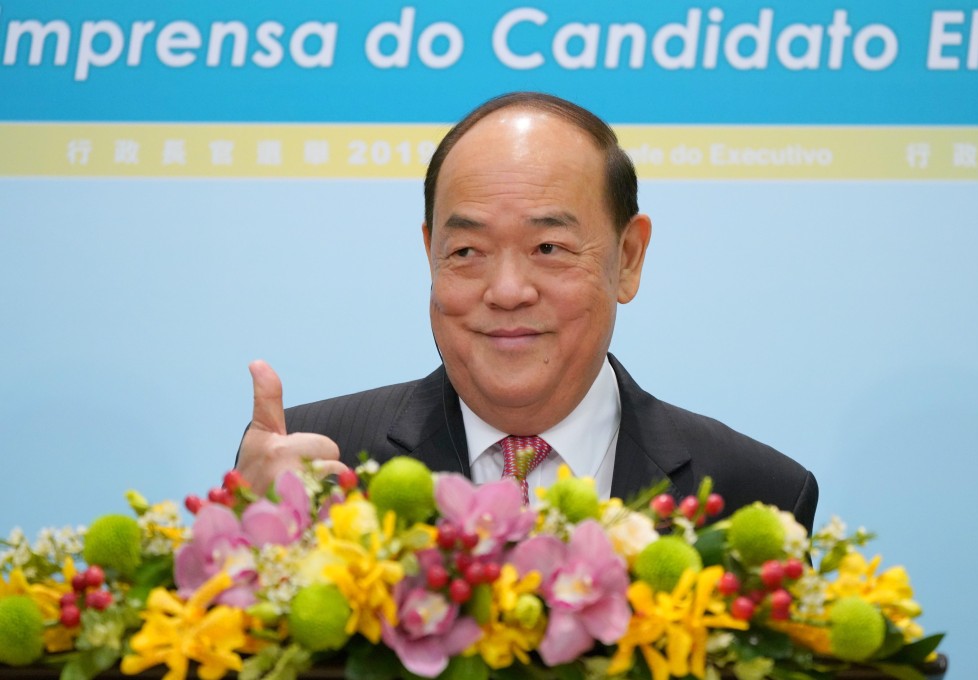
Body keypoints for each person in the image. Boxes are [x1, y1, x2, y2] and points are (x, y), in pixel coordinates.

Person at [236, 92, 818, 530]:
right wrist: (250, 547)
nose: (508, 290)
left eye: (548, 249)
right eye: (467, 251)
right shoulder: (316, 466)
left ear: (629, 257)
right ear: (430, 254)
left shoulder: (755, 497)